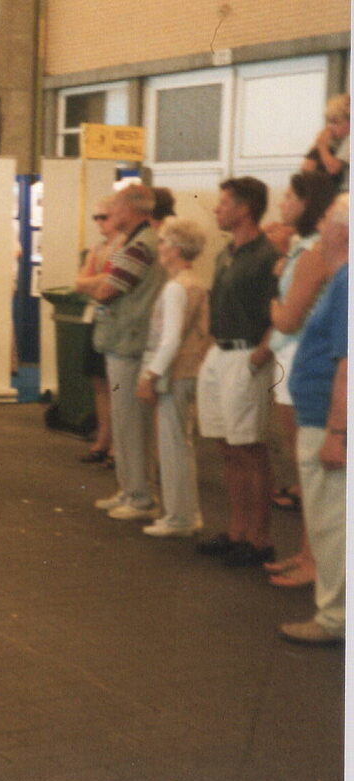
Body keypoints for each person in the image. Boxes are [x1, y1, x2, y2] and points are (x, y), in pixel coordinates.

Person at [195, 177, 279, 567]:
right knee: (227, 448)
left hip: (247, 354)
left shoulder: (267, 256)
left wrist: (260, 355)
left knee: (250, 449)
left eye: (224, 203)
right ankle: (237, 531)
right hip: (221, 352)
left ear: (244, 209)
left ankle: (259, 539)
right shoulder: (225, 254)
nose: (217, 209)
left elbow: (278, 309)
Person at [264, 171, 338, 587]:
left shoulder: (312, 253)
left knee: (309, 469)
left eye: (290, 197)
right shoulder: (302, 249)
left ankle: (314, 560)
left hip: (299, 359)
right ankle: (307, 553)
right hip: (289, 358)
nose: (283, 204)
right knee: (302, 468)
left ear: (309, 203)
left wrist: (273, 304)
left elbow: (288, 318)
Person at [278, 195, 347, 646]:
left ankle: (335, 618)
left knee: (332, 524)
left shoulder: (347, 281)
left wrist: (337, 432)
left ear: (341, 230)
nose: (318, 227)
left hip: (328, 420)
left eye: (324, 220)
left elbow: (347, 363)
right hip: (324, 416)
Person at [87, 184, 166, 520]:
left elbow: (106, 289)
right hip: (123, 340)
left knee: (130, 422)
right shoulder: (134, 242)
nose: (111, 213)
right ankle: (129, 488)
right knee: (124, 420)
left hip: (128, 343)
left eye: (116, 206)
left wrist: (89, 286)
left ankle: (139, 496)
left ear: (131, 209)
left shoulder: (139, 245)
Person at [135, 218, 211, 537]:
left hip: (176, 372)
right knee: (181, 443)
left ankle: (179, 517)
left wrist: (149, 375)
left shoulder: (176, 287)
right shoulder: (194, 282)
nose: (160, 246)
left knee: (173, 445)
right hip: (190, 369)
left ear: (177, 249)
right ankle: (185, 513)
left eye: (165, 241)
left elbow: (169, 340)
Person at [73, 196, 124, 468]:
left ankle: (117, 446)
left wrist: (92, 281)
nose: (99, 223)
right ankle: (103, 441)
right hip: (97, 316)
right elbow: (80, 282)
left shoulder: (124, 246)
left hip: (115, 320)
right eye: (96, 217)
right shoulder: (98, 247)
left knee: (114, 383)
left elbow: (109, 281)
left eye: (104, 217)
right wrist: (95, 281)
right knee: (99, 382)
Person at [301, 93, 349, 192]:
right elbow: (305, 169)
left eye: (335, 122)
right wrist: (318, 145)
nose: (329, 126)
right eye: (328, 122)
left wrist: (322, 146)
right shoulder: (339, 142)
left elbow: (333, 168)